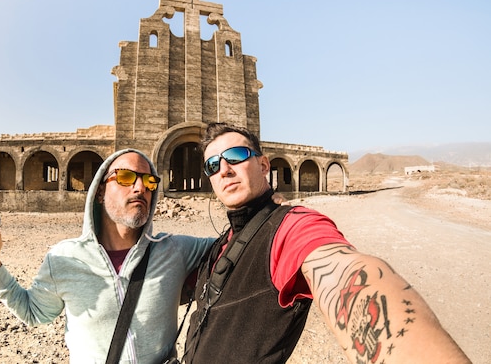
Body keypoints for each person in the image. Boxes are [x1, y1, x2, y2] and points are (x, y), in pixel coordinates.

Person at [183, 122, 471, 363]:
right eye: (212, 165)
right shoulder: (219, 245)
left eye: (235, 155)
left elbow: (341, 270)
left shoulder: (290, 227)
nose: (224, 169)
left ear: (263, 164)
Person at [0, 149, 214, 363]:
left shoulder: (176, 250)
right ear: (100, 191)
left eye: (149, 181)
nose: (140, 187)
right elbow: (33, 312)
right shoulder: (64, 258)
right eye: (125, 177)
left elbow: (239, 245)